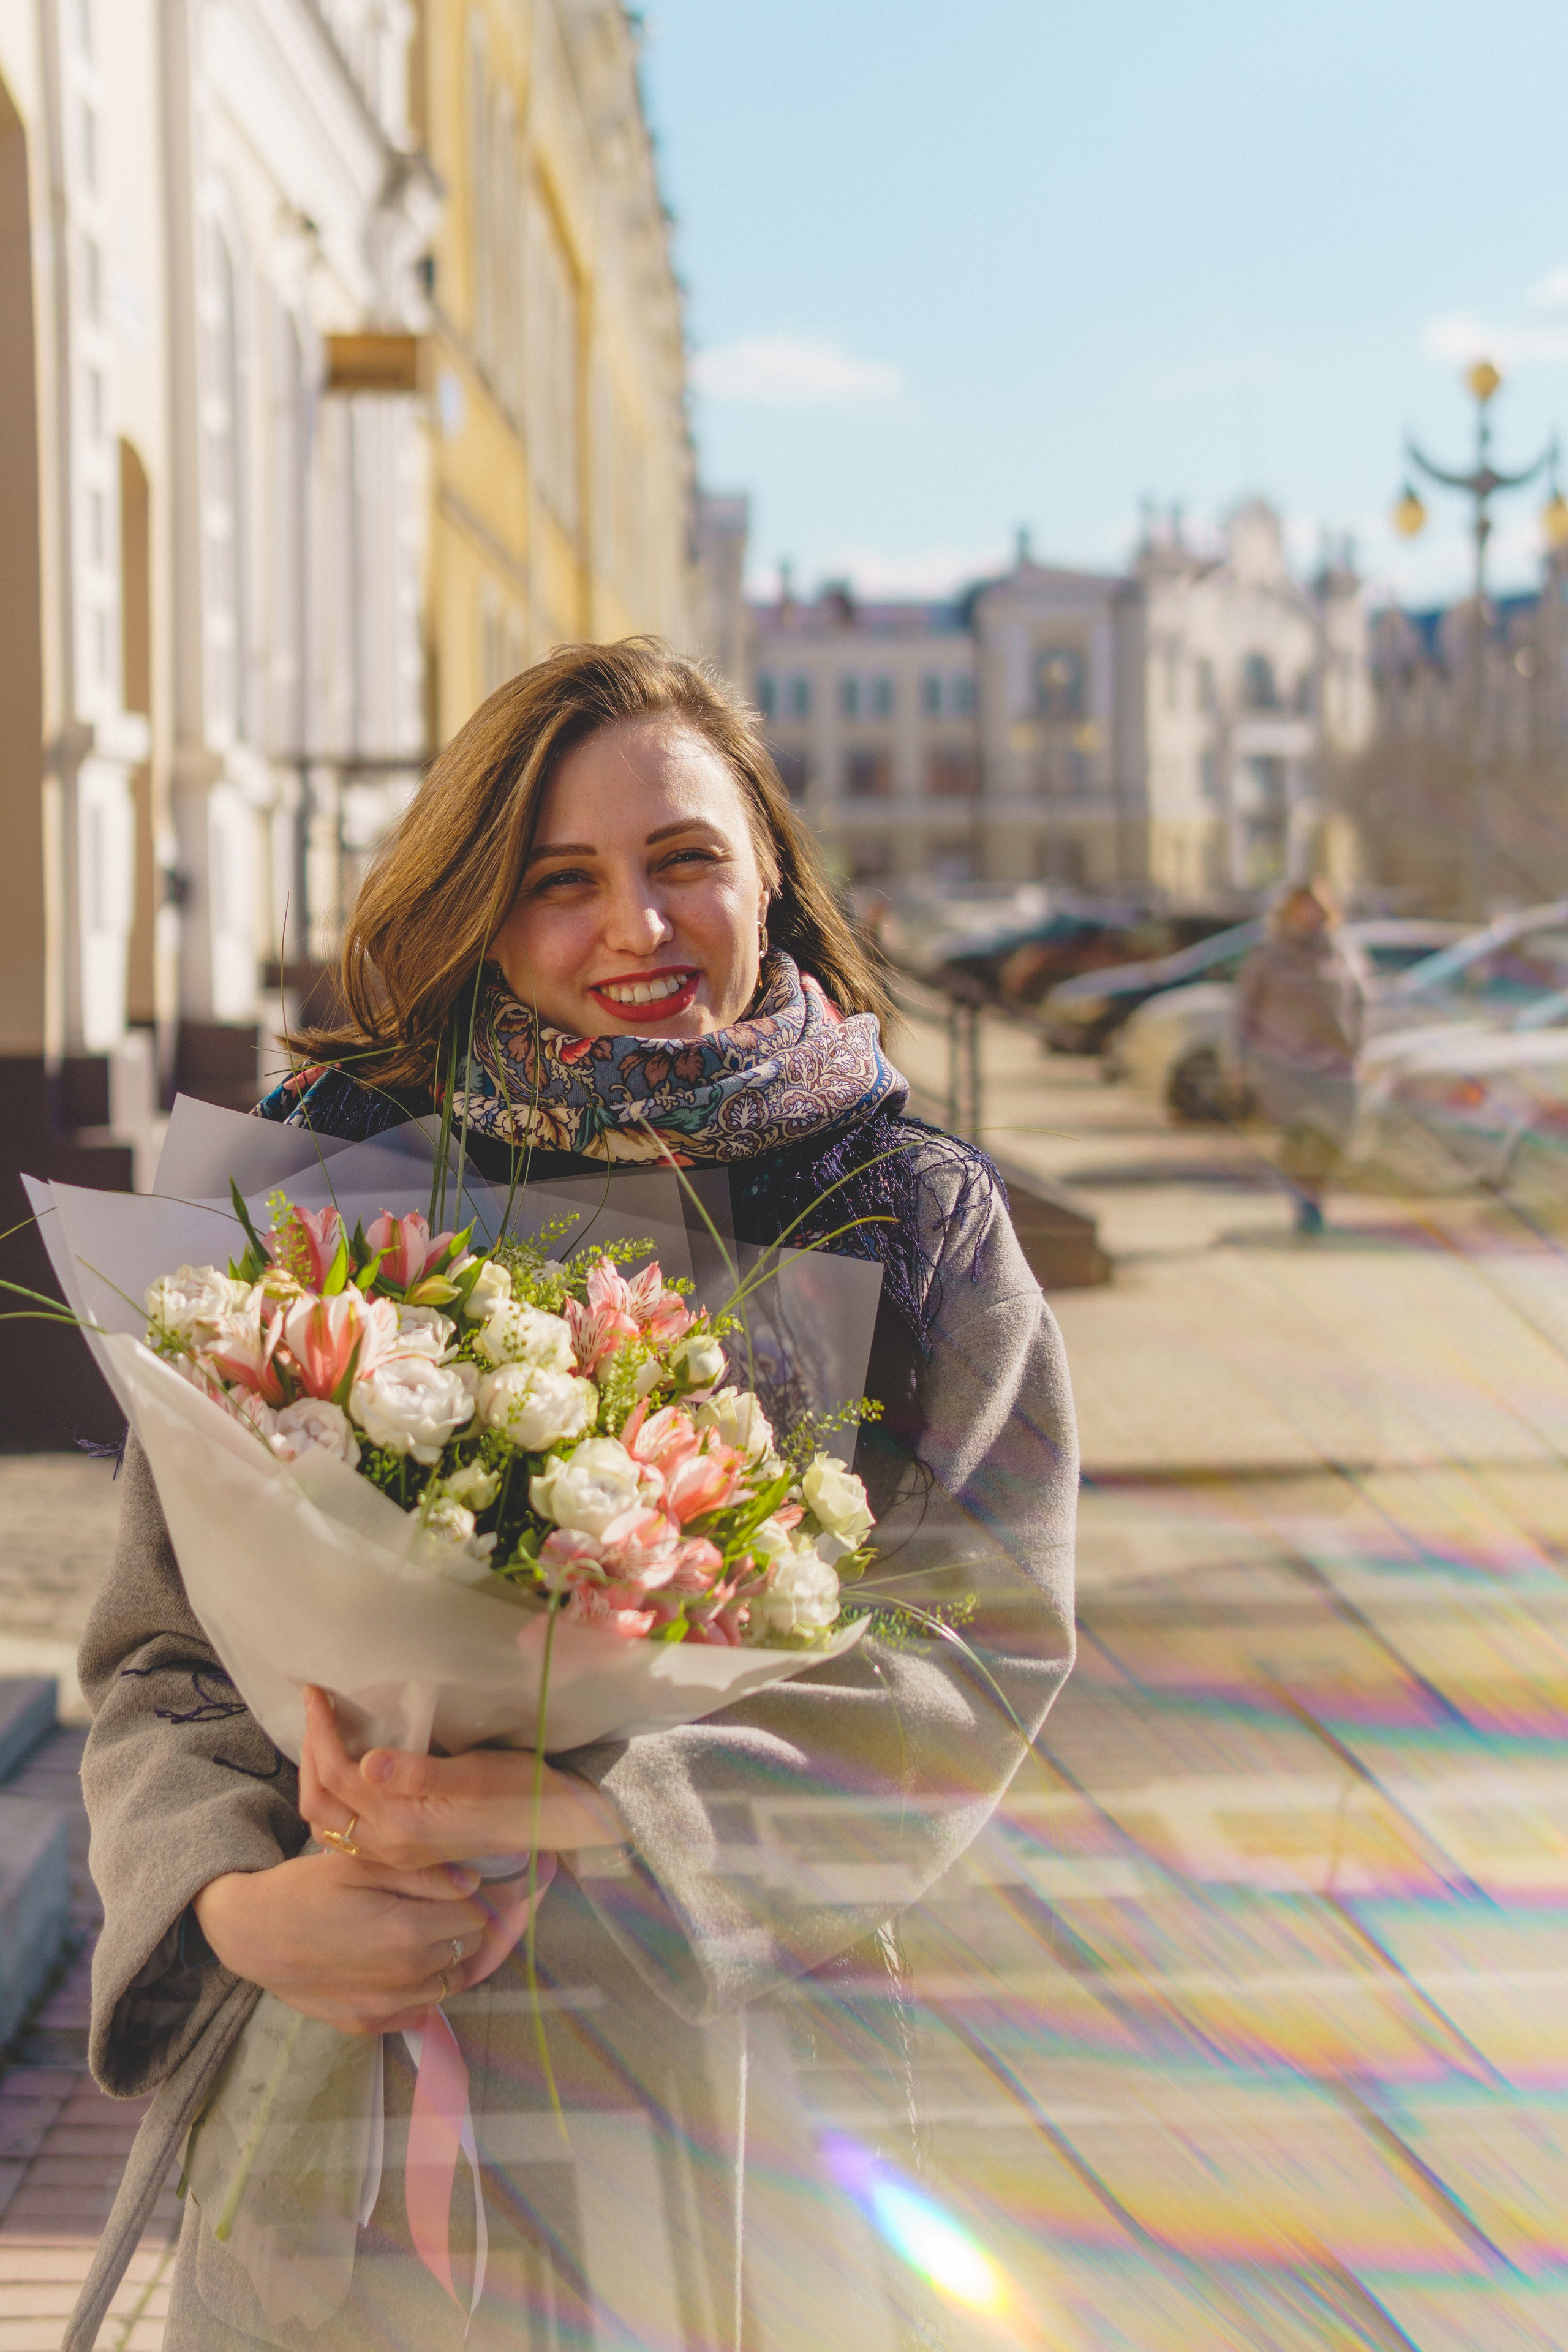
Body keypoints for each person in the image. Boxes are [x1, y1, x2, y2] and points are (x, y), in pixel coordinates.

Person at [68, 639, 1077, 2352]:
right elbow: (161, 1655)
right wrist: (234, 1907)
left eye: (685, 859)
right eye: (561, 881)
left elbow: (974, 1656)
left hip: (728, 2095)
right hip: (345, 2079)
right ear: (480, 906)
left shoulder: (909, 1218)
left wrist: (603, 1820)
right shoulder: (330, 1184)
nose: (637, 925)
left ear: (768, 871)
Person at [1233, 881, 1364, 1235]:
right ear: (1288, 912)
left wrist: (1359, 1047)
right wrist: (1239, 1062)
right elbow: (1244, 1012)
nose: (1310, 915)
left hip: (1335, 1062)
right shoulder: (1268, 956)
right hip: (1282, 1061)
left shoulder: (1343, 953)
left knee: (1336, 1134)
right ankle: (1305, 1199)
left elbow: (1360, 1003)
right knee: (1298, 1135)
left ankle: (1315, 1189)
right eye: (1302, 908)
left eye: (1317, 908)